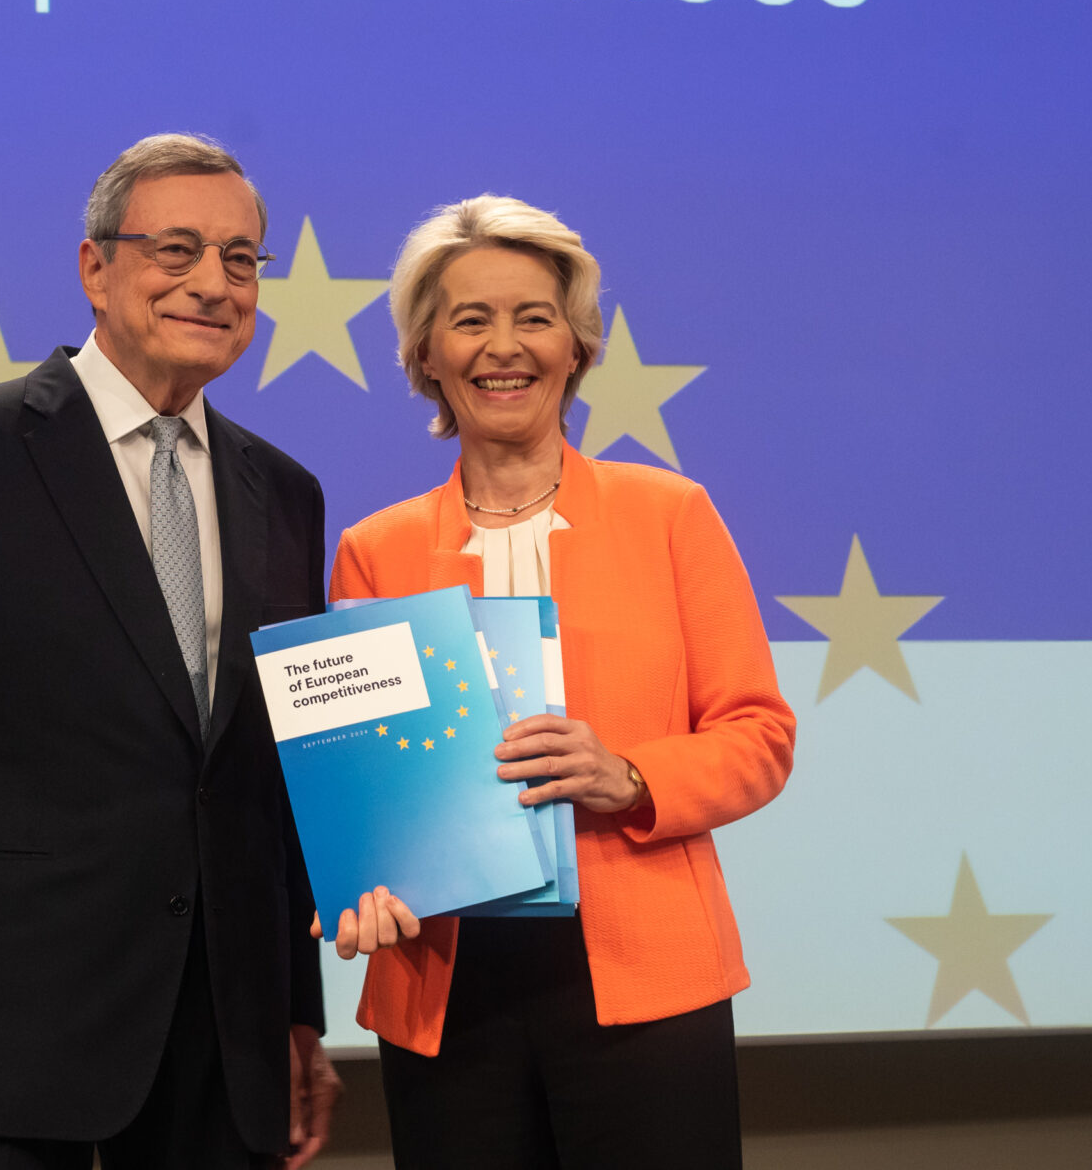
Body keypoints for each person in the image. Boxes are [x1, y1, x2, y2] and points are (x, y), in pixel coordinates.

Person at [0, 133, 341, 1170]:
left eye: (240, 258)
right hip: (2, 1038)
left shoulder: (285, 492)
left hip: (221, 1050)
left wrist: (293, 1010)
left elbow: (267, 781)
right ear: (96, 268)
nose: (213, 282)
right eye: (177, 249)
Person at [324, 195, 795, 1170]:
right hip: (444, 986)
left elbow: (758, 733)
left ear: (576, 347)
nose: (504, 346)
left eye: (534, 317)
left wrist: (630, 775)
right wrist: (356, 870)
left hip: (646, 979)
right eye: (470, 319)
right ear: (425, 355)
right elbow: (364, 785)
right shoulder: (374, 550)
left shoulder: (671, 513)